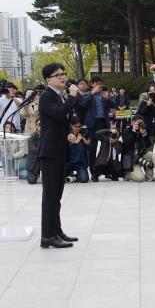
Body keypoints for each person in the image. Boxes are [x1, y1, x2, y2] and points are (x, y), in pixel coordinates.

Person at [39, 63, 80, 249]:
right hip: (50, 153)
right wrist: (71, 97)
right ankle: (47, 236)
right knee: (50, 196)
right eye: (58, 75)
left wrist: (68, 134)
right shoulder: (47, 96)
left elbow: (60, 122)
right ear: (48, 79)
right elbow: (57, 114)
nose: (63, 77)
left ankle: (56, 231)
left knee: (57, 195)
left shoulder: (59, 96)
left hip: (59, 150)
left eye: (64, 74)